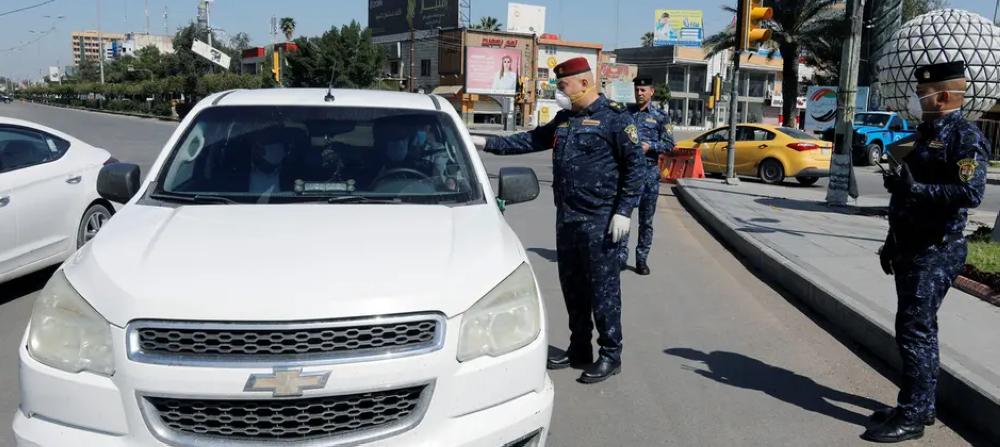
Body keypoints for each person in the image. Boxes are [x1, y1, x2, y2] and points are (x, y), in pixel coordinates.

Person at [473, 57, 645, 384]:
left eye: (563, 85)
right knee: (573, 288)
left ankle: (611, 353)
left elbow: (635, 169)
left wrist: (624, 211)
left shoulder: (615, 120)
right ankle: (579, 347)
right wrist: (484, 142)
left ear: (584, 83)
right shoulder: (565, 120)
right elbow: (529, 140)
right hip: (567, 219)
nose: (559, 91)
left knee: (603, 291)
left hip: (602, 219)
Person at [863, 61, 989, 443]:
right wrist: (891, 240)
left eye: (924, 94)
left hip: (936, 250)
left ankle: (913, 415)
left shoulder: (964, 137)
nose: (919, 99)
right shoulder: (925, 133)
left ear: (946, 96)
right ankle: (922, 405)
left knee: (914, 332)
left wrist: (916, 190)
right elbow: (909, 190)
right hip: (910, 245)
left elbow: (971, 193)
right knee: (920, 330)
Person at [617, 77, 674, 275]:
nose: (639, 93)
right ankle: (621, 257)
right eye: (637, 89)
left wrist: (651, 147)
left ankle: (641, 259)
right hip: (627, 174)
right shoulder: (625, 113)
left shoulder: (660, 116)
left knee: (646, 221)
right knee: (624, 215)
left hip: (649, 174)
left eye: (643, 90)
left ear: (651, 91)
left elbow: (669, 144)